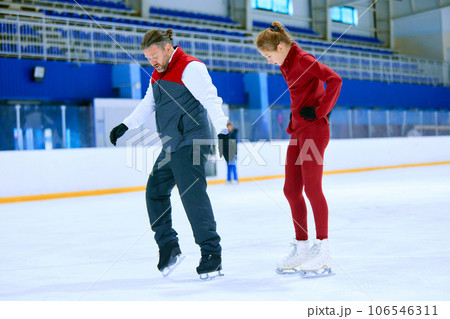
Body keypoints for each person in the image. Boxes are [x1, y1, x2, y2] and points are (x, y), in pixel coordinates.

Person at [109, 29, 232, 279]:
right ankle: (169, 247)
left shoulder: (191, 68)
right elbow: (148, 104)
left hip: (193, 141)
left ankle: (211, 253)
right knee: (155, 192)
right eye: (147, 57)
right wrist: (125, 125)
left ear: (168, 48)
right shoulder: (157, 75)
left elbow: (211, 100)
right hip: (172, 145)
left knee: (192, 197)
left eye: (154, 55)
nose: (151, 61)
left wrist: (222, 131)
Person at [256, 22, 342, 277]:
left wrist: (319, 111)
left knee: (312, 187)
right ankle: (302, 247)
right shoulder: (285, 63)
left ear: (281, 47)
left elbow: (334, 80)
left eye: (269, 56)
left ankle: (324, 249)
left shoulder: (303, 59)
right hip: (299, 131)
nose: (269, 61)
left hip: (314, 130)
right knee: (291, 189)